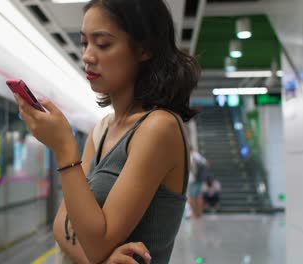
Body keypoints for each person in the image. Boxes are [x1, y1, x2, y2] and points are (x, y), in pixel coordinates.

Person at [13, 0, 199, 263]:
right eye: (84, 43)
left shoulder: (159, 127)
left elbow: (96, 242)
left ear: (144, 48)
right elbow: (60, 226)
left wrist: (64, 148)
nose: (87, 55)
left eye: (102, 44)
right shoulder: (100, 131)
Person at [188, 147, 208, 218]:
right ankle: (200, 213)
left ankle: (194, 213)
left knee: (192, 197)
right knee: (199, 196)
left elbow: (189, 166)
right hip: (199, 179)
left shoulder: (190, 155)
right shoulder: (197, 155)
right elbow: (206, 163)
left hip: (192, 179)